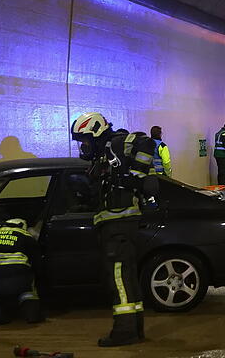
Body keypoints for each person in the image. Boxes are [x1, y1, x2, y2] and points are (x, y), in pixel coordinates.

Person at [72, 113, 157, 347]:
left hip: (119, 225)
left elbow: (146, 142)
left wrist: (134, 177)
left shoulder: (117, 143)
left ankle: (124, 332)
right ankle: (135, 329)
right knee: (127, 279)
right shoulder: (102, 158)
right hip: (116, 225)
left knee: (118, 280)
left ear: (97, 132)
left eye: (85, 140)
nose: (83, 146)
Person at [0, 218, 43, 325]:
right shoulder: (22, 233)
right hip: (19, 275)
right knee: (28, 292)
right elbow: (36, 258)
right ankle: (32, 314)